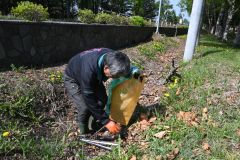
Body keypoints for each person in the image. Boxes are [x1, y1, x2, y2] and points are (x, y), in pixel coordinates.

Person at [64, 48, 131, 135]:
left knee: (102, 99)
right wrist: (106, 121)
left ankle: (94, 124)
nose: (115, 78)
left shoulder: (114, 57)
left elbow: (125, 69)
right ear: (106, 68)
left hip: (92, 73)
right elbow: (89, 99)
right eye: (113, 76)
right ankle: (84, 132)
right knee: (84, 107)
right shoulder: (88, 73)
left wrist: (135, 74)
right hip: (72, 78)